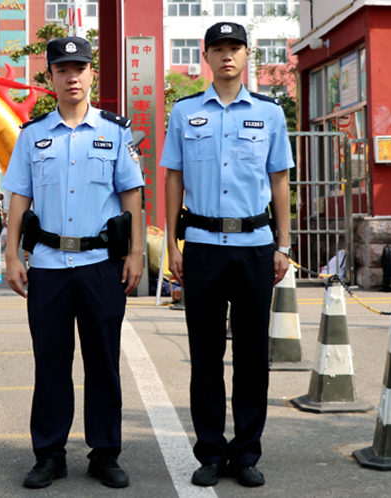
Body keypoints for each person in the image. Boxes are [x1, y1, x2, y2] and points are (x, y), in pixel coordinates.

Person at [2, 37, 144, 490]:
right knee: (51, 363)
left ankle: (105, 453)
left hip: (101, 263)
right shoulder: (32, 135)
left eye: (80, 67)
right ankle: (49, 454)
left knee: (103, 362)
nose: (73, 76)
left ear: (91, 73)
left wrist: (137, 252)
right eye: (63, 69)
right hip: (47, 264)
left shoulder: (115, 132)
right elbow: (19, 196)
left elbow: (132, 195)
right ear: (50, 78)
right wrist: (11, 253)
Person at [162, 22, 292, 488]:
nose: (226, 56)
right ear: (207, 57)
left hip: (255, 248)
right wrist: (172, 246)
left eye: (234, 48)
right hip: (201, 248)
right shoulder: (185, 113)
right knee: (205, 355)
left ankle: (246, 453)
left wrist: (284, 244)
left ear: (246, 54)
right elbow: (172, 177)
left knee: (254, 356)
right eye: (217, 49)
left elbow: (279, 180)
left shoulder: (268, 113)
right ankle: (212, 451)